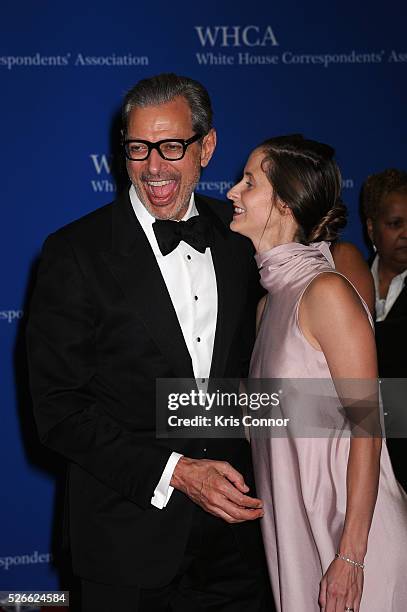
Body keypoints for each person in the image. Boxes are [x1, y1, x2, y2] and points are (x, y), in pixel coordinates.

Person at [26, 73, 272, 612]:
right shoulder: (74, 253)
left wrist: (359, 419)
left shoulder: (240, 238)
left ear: (206, 146)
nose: (154, 166)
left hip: (239, 544)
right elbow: (59, 410)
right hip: (125, 543)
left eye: (171, 147)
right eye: (138, 148)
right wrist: (178, 473)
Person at [227, 135, 407, 611]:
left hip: (352, 543)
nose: (232, 192)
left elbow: (369, 425)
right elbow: (271, 421)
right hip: (295, 532)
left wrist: (351, 556)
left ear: (284, 203)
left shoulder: (326, 291)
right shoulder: (269, 306)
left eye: (249, 182)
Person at [362, 168, 407, 490]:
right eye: (395, 224)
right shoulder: (345, 283)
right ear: (371, 228)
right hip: (364, 453)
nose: (406, 233)